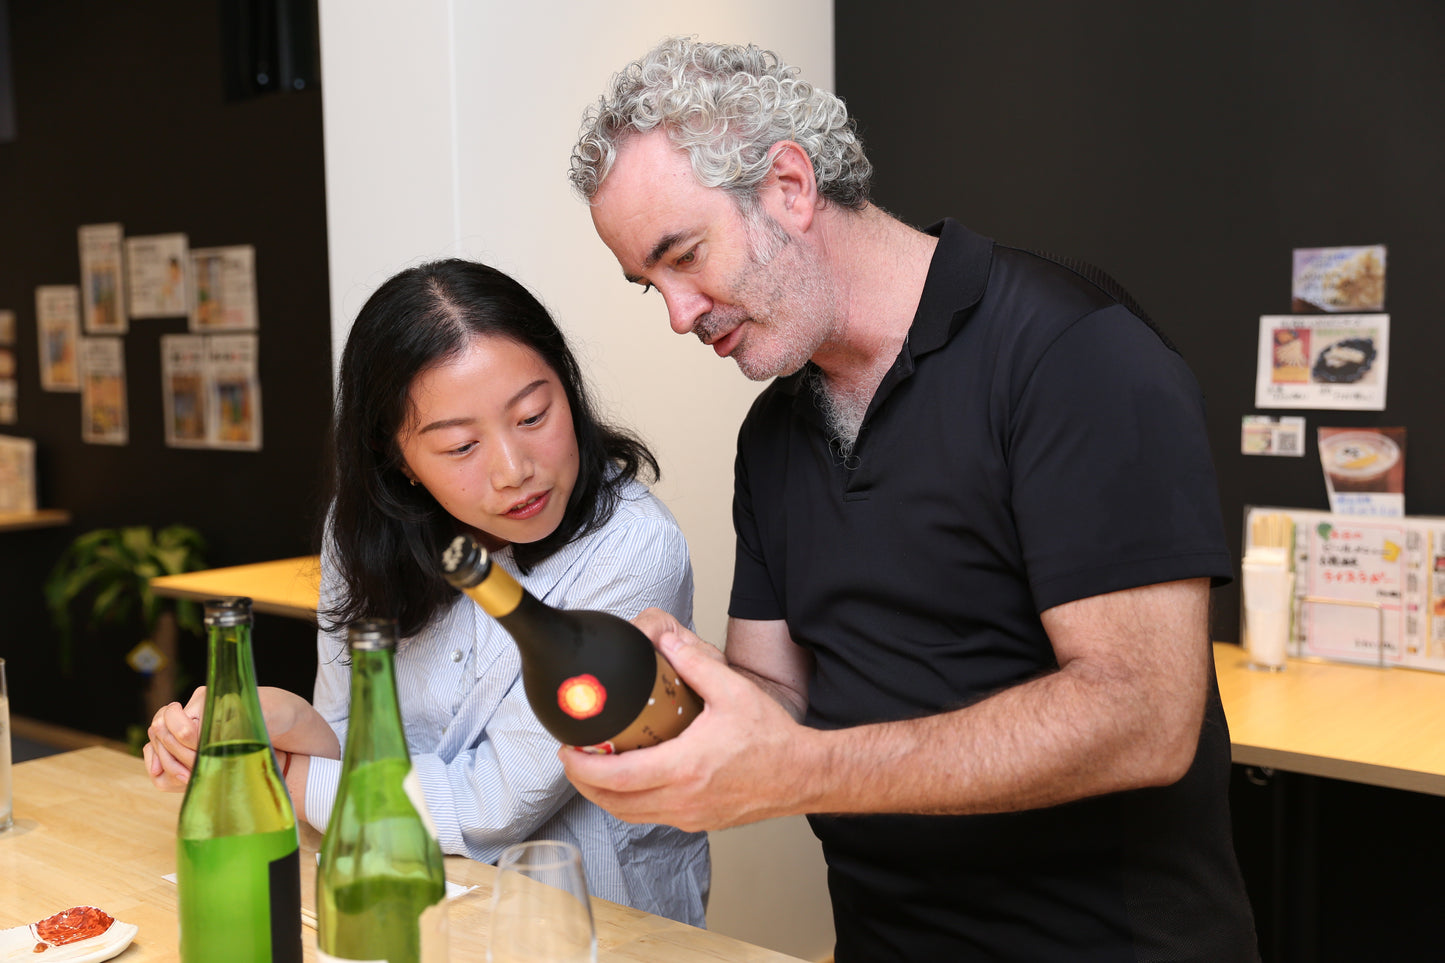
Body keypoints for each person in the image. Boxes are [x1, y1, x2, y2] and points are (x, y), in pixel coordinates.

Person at [560, 37, 1258, 961]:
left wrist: (799, 770)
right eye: (650, 284)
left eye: (684, 256)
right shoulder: (773, 435)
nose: (680, 314)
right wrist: (677, 706)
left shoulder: (1072, 354)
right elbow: (777, 692)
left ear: (789, 187)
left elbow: (1142, 717)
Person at [144, 259, 709, 926]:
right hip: (414, 904)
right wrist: (284, 722)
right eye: (461, 445)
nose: (514, 470)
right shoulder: (359, 535)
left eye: (533, 414)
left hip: (592, 922)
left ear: (567, 384)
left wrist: (269, 772)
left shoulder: (630, 547)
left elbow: (493, 804)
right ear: (396, 457)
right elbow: (359, 746)